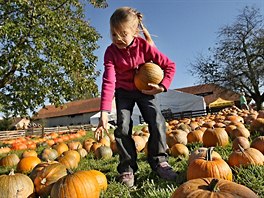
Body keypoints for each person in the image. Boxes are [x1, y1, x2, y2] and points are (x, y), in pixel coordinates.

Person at [95, 6, 177, 187]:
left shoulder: (144, 46)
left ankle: (159, 161)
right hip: (123, 92)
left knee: (157, 122)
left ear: (135, 31)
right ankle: (127, 168)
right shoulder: (111, 52)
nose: (118, 39)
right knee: (122, 127)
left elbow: (170, 66)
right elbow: (108, 80)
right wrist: (104, 112)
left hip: (146, 90)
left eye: (123, 34)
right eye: (113, 34)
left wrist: (162, 87)